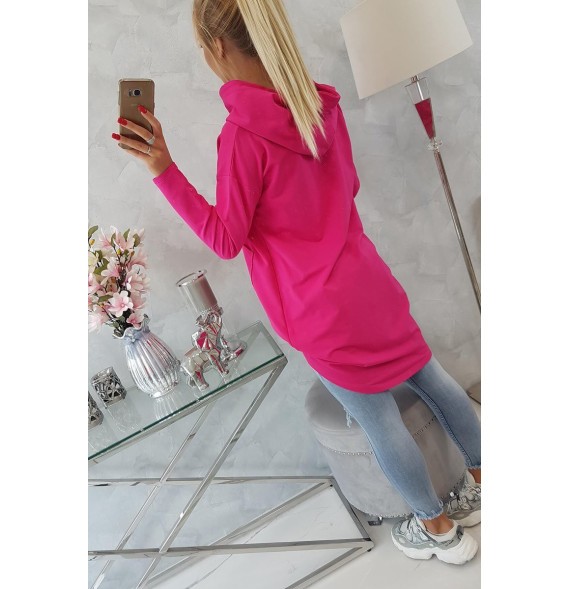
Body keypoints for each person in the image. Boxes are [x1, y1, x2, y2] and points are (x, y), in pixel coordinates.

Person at [111, 0, 481, 565]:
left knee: (379, 421)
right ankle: (479, 486)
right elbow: (348, 186)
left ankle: (438, 530)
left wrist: (162, 167)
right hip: (371, 286)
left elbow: (226, 239)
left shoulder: (243, 138)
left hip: (320, 313)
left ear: (218, 47)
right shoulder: (321, 105)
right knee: (433, 380)